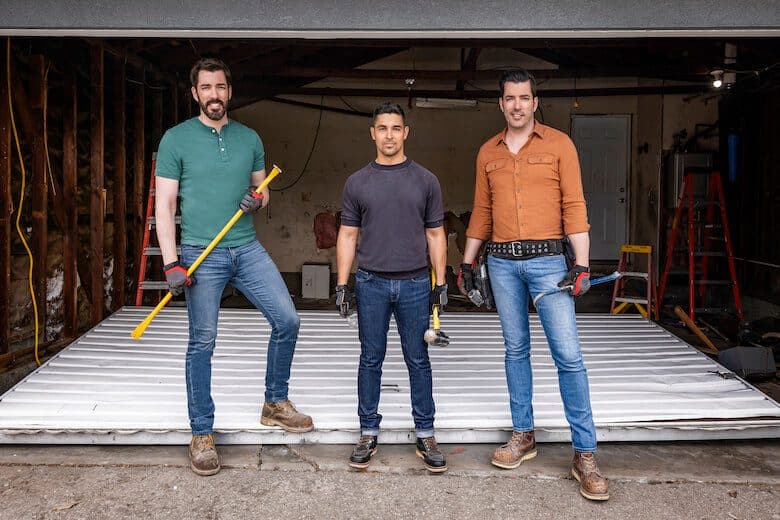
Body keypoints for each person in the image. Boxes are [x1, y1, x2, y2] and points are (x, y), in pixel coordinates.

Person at [155, 58, 312, 477]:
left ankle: (275, 402)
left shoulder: (249, 138)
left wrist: (256, 200)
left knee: (287, 319)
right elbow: (165, 205)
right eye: (206, 88)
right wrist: (170, 262)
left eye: (220, 87)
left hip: (246, 248)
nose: (214, 95)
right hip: (199, 253)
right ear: (195, 94)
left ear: (229, 91)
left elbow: (264, 194)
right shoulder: (176, 140)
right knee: (202, 341)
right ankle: (202, 432)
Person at [457, 69, 609, 500]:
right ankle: (523, 434)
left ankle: (585, 453)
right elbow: (482, 211)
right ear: (501, 104)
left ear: (534, 102)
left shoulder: (560, 144)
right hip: (502, 264)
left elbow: (575, 205)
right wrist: (467, 264)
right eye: (510, 99)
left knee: (569, 356)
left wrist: (580, 265)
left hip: (549, 263)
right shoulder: (488, 152)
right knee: (515, 350)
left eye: (524, 98)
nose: (517, 105)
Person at [335, 102, 449, 473]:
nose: (388, 135)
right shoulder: (357, 182)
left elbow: (436, 233)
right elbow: (348, 234)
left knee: (419, 360)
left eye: (395, 128)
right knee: (371, 359)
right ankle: (368, 431)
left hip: (416, 282)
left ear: (406, 133)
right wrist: (342, 285)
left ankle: (426, 433)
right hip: (370, 283)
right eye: (382, 128)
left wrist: (441, 282)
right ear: (373, 133)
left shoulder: (426, 180)